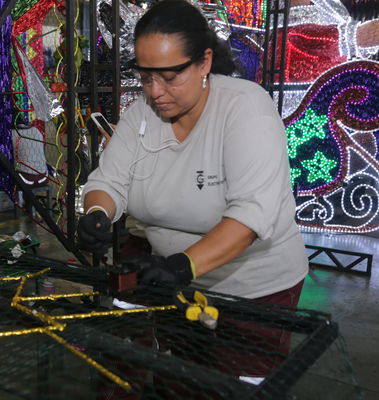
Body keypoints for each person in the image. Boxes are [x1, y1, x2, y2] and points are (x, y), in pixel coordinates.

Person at [78, 0, 308, 305]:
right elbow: (109, 182)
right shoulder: (141, 115)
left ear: (205, 63)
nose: (155, 91)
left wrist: (183, 266)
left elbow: (251, 216)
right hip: (173, 278)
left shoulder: (246, 109)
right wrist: (97, 215)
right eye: (146, 77)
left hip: (253, 291)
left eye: (170, 77)